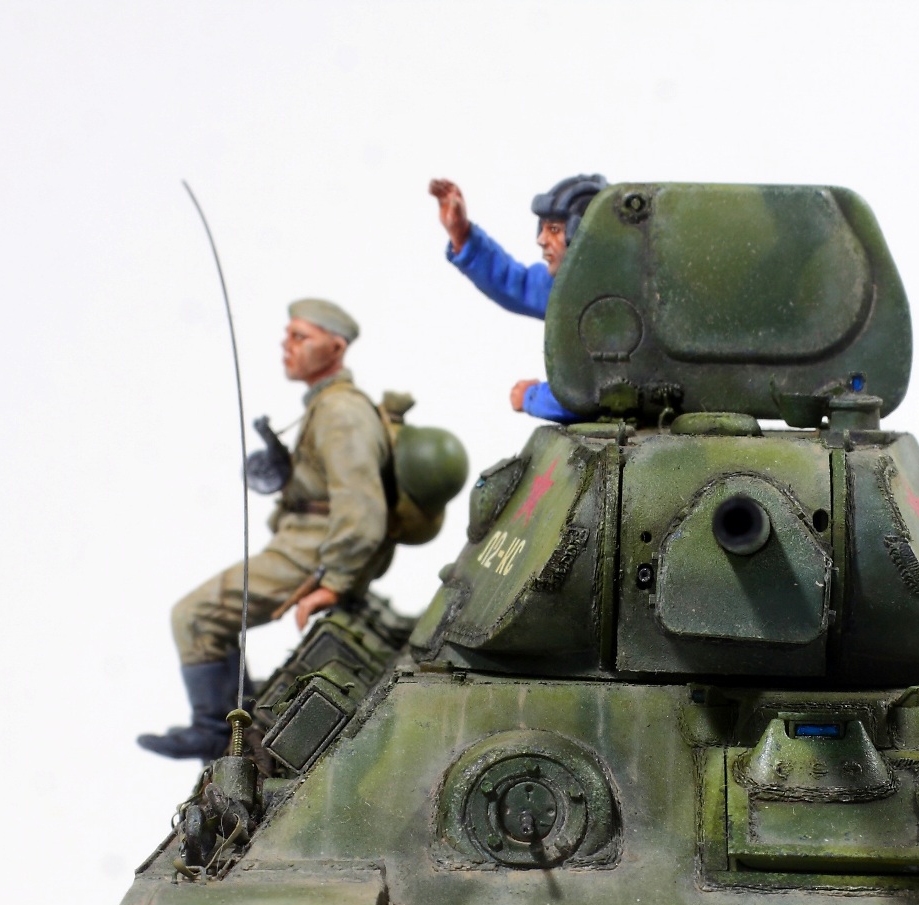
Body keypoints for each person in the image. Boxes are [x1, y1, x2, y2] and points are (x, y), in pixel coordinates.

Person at [137, 298, 392, 760]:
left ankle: (216, 730)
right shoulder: (326, 406)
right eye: (287, 335)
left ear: (335, 348)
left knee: (195, 616)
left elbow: (361, 506)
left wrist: (334, 581)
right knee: (202, 616)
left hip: (313, 548)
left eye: (301, 337)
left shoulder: (340, 412)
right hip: (302, 539)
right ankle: (232, 715)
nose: (286, 345)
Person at [428, 173, 604, 422]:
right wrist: (462, 235)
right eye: (543, 228)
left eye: (554, 229)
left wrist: (532, 397)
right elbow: (518, 283)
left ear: (582, 235)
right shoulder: (572, 288)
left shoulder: (611, 303)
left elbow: (588, 394)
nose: (541, 240)